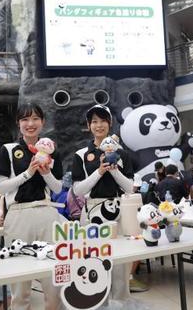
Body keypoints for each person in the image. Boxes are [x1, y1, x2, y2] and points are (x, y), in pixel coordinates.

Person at [0, 103, 64, 310]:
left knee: (53, 277)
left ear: (42, 122)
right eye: (25, 119)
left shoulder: (53, 151)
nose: (30, 124)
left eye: (35, 119)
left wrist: (45, 172)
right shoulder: (8, 150)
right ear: (18, 123)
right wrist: (28, 173)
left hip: (47, 212)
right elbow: (2, 187)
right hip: (18, 215)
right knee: (20, 283)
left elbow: (57, 187)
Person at [72, 104, 134, 302]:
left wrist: (114, 169)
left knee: (121, 264)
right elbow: (78, 190)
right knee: (93, 262)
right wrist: (99, 170)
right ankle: (98, 303)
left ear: (110, 123)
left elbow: (130, 187)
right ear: (89, 125)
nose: (99, 125)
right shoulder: (81, 155)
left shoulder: (122, 153)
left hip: (118, 210)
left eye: (103, 121)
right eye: (94, 122)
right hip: (91, 211)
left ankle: (122, 303)